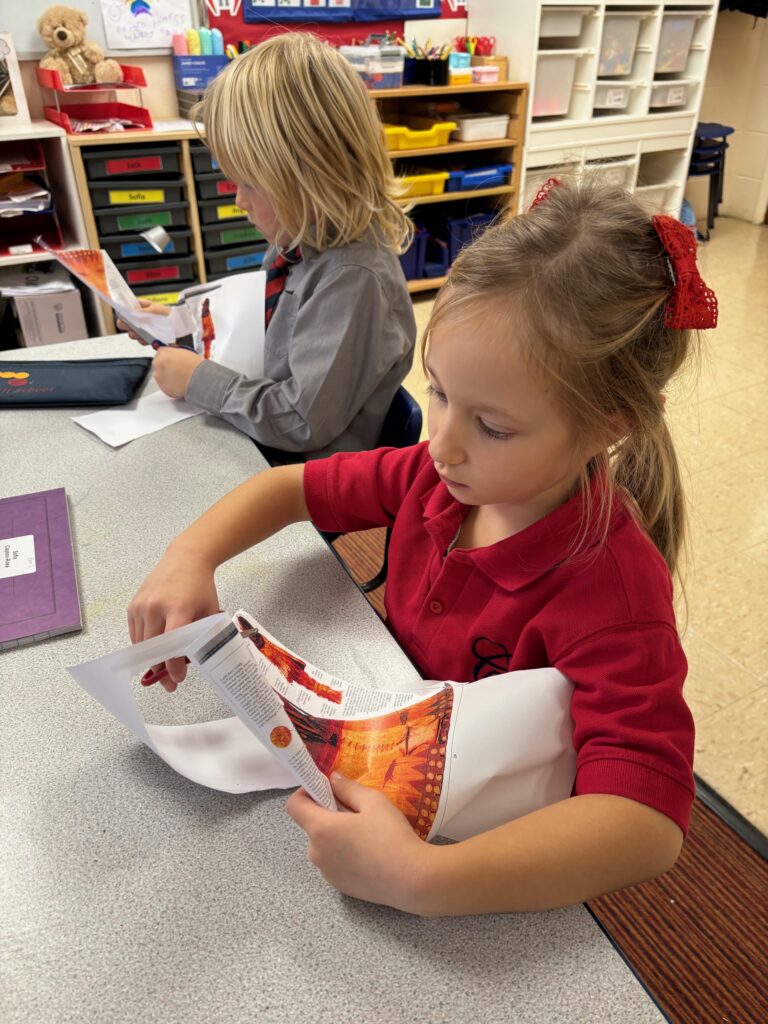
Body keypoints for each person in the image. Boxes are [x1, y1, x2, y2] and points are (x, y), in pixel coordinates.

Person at [127, 179, 718, 916]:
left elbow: (647, 825)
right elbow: (287, 490)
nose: (441, 442)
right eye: (437, 392)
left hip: (489, 841)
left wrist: (425, 882)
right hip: (398, 737)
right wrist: (190, 557)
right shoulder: (434, 476)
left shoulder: (614, 592)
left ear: (609, 423)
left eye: (492, 427)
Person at [123, 33, 416, 460]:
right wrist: (178, 324)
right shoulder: (296, 244)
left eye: (250, 183)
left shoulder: (353, 280)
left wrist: (198, 380)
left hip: (302, 480)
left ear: (314, 174)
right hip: (259, 445)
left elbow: (301, 422)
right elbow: (263, 342)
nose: (239, 200)